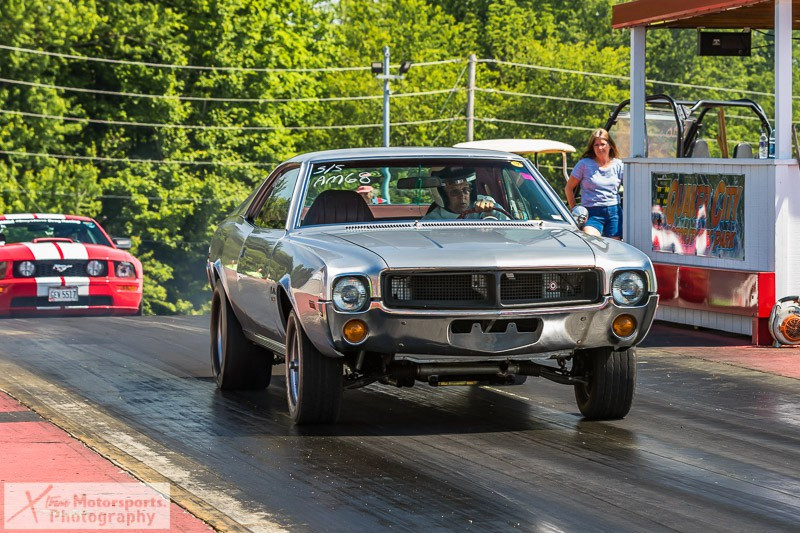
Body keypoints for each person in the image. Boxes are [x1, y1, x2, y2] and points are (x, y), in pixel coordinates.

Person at [564, 128, 623, 239]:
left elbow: (631, 188)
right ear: (592, 147)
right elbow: (568, 188)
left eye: (603, 144)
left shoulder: (619, 165)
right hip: (591, 213)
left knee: (615, 245)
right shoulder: (584, 164)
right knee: (591, 241)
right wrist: (575, 210)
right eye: (596, 145)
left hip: (614, 212)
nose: (600, 148)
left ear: (610, 145)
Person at [424, 168, 508, 220]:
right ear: (443, 195)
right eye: (455, 192)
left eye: (466, 190)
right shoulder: (431, 220)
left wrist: (490, 213)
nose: (462, 196)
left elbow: (510, 230)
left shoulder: (484, 203)